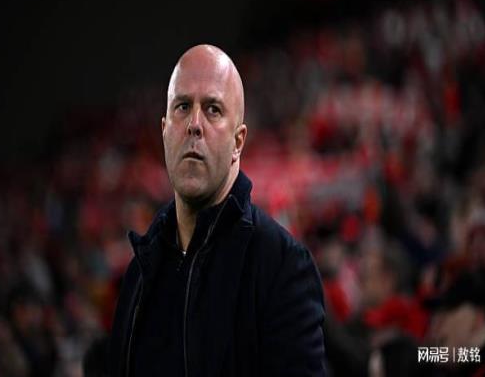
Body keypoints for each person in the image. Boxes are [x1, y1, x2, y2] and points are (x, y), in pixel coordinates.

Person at [109, 44, 327, 376]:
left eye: (212, 109)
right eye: (183, 106)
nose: (194, 124)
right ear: (164, 130)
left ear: (238, 142)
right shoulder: (139, 274)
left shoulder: (282, 266)